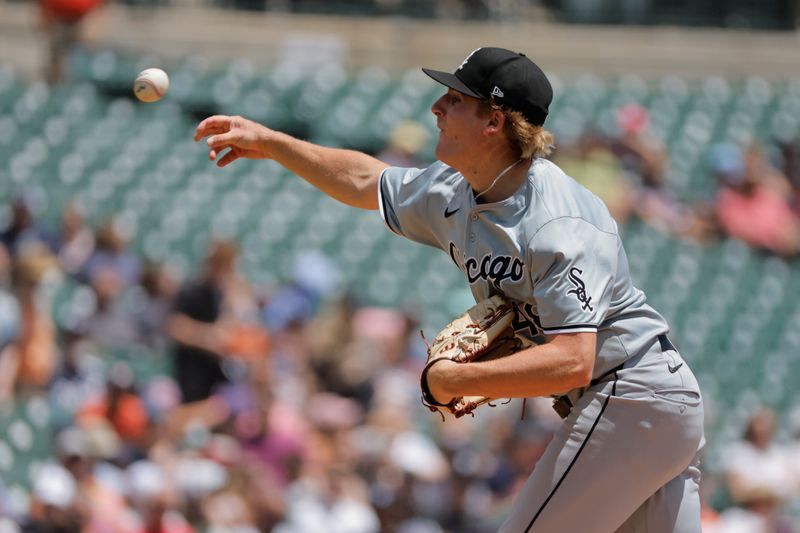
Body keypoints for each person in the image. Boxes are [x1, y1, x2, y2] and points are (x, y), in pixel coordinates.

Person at [195, 47, 705, 532]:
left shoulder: (558, 221)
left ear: (494, 121)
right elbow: (366, 180)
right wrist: (274, 143)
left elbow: (573, 359)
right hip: (647, 407)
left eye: (456, 99)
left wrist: (452, 379)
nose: (437, 106)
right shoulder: (453, 189)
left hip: (632, 394)